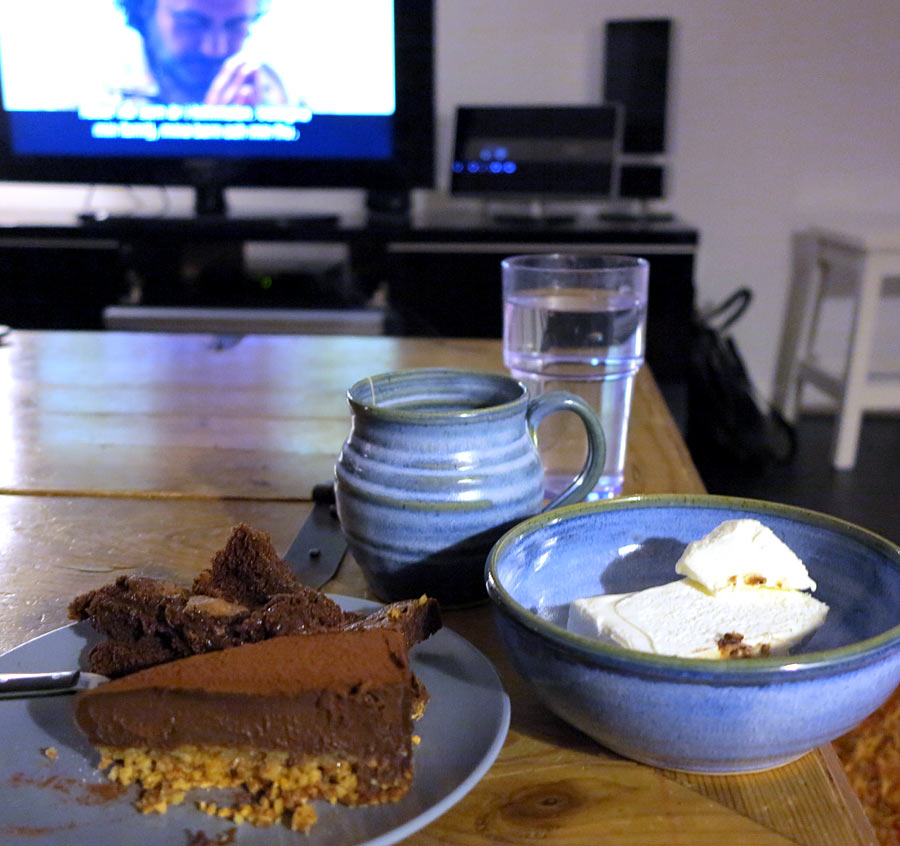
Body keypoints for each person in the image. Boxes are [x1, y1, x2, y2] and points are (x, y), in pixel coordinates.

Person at [114, 0, 289, 105]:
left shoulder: (279, 94)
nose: (215, 49)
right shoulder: (101, 93)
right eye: (191, 23)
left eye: (236, 25)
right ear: (144, 7)